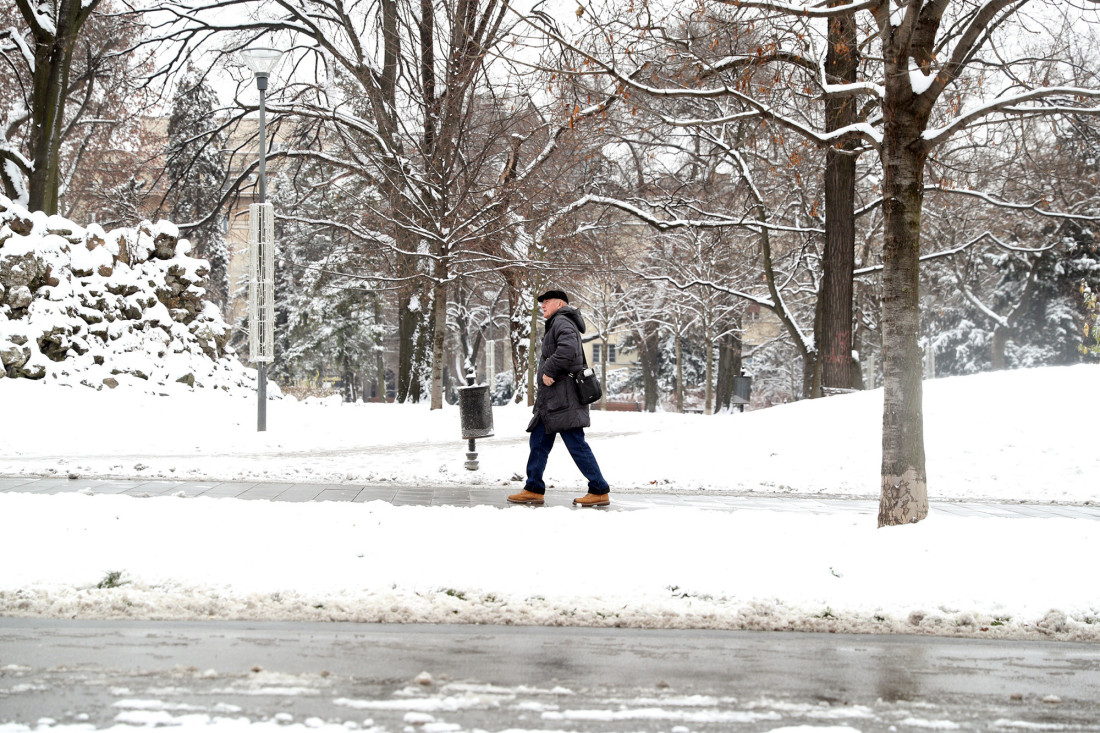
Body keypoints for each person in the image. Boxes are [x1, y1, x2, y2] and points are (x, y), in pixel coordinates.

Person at [507, 289, 611, 508]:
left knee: (576, 444)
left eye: (546, 301)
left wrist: (549, 371)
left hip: (564, 400)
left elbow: (568, 349)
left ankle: (599, 489)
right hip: (552, 401)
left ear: (560, 303)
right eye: (541, 302)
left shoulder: (562, 321)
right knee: (538, 442)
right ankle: (533, 488)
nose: (542, 305)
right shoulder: (557, 322)